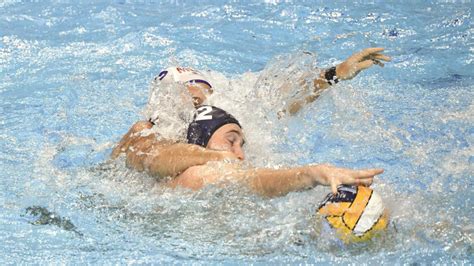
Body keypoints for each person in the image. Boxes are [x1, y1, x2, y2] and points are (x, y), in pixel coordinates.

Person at [112, 48, 391, 178]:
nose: (199, 106)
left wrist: (333, 75)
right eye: (190, 100)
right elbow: (156, 157)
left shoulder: (224, 115)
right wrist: (217, 157)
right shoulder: (146, 130)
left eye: (203, 97)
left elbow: (281, 102)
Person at [167, 105, 383, 197]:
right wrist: (313, 174)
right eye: (231, 141)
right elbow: (256, 181)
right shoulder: (195, 176)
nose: (240, 154)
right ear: (198, 144)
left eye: (241, 145)